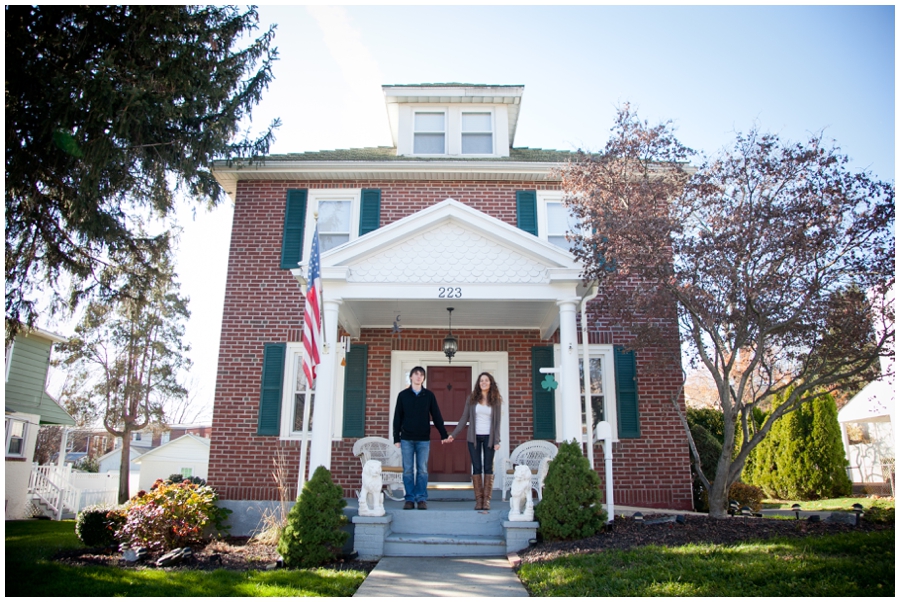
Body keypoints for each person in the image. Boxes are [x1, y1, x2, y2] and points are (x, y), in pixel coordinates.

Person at [392, 366, 449, 510]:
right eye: (416, 374)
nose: (418, 377)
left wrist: (443, 434)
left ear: (423, 378)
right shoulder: (403, 395)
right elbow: (397, 418)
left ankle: (421, 499)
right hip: (406, 439)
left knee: (422, 470)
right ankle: (410, 499)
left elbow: (436, 415)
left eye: (421, 375)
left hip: (423, 439)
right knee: (408, 470)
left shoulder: (428, 396)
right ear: (411, 377)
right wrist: (396, 438)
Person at [446, 372, 502, 511]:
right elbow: (464, 418)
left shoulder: (496, 400)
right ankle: (478, 500)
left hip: (489, 437)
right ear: (478, 383)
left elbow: (497, 423)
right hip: (474, 438)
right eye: (481, 380)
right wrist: (454, 434)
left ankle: (487, 501)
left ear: (490, 383)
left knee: (488, 467)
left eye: (486, 380)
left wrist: (497, 440)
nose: (483, 382)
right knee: (477, 467)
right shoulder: (471, 399)